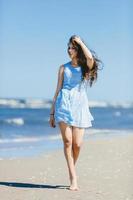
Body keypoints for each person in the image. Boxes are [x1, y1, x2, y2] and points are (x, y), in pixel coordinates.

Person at [49, 35, 101, 191]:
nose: (69, 50)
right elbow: (57, 90)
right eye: (69, 47)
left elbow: (90, 58)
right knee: (67, 142)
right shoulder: (63, 68)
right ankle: (73, 177)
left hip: (80, 107)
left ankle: (72, 166)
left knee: (77, 145)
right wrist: (52, 113)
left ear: (78, 50)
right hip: (63, 104)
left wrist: (79, 42)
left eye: (72, 47)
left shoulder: (85, 68)